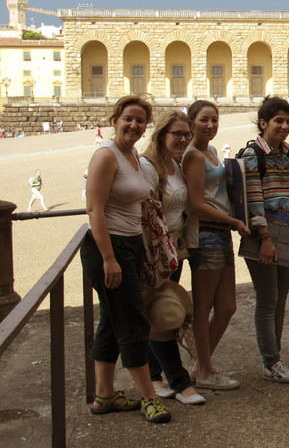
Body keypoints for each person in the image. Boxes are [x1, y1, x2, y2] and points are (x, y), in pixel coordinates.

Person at [81, 95, 171, 424]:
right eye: (128, 119)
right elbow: (95, 209)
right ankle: (149, 397)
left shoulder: (132, 155)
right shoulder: (106, 156)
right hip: (110, 248)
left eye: (140, 120)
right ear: (114, 120)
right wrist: (109, 258)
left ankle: (104, 396)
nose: (134, 125)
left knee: (111, 321)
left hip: (129, 245)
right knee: (133, 321)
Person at [183, 100, 249, 390]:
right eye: (204, 120)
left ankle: (200, 364)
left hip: (220, 231)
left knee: (227, 306)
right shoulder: (194, 156)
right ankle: (206, 371)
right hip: (207, 233)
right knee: (204, 305)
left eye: (214, 120)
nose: (210, 125)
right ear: (191, 122)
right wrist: (233, 221)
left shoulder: (209, 151)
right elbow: (195, 204)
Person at [140, 110, 204, 405]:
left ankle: (155, 376)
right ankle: (180, 382)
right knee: (165, 316)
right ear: (161, 134)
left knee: (159, 313)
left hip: (174, 248)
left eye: (185, 135)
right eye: (176, 134)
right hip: (155, 252)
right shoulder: (149, 167)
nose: (181, 139)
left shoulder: (175, 165)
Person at [239, 97, 289, 383]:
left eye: (288, 121)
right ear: (263, 123)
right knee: (268, 299)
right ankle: (271, 361)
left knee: (280, 300)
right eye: (278, 121)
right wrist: (265, 238)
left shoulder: (288, 152)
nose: (285, 126)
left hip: (288, 226)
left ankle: (274, 359)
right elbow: (254, 200)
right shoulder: (254, 154)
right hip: (264, 232)